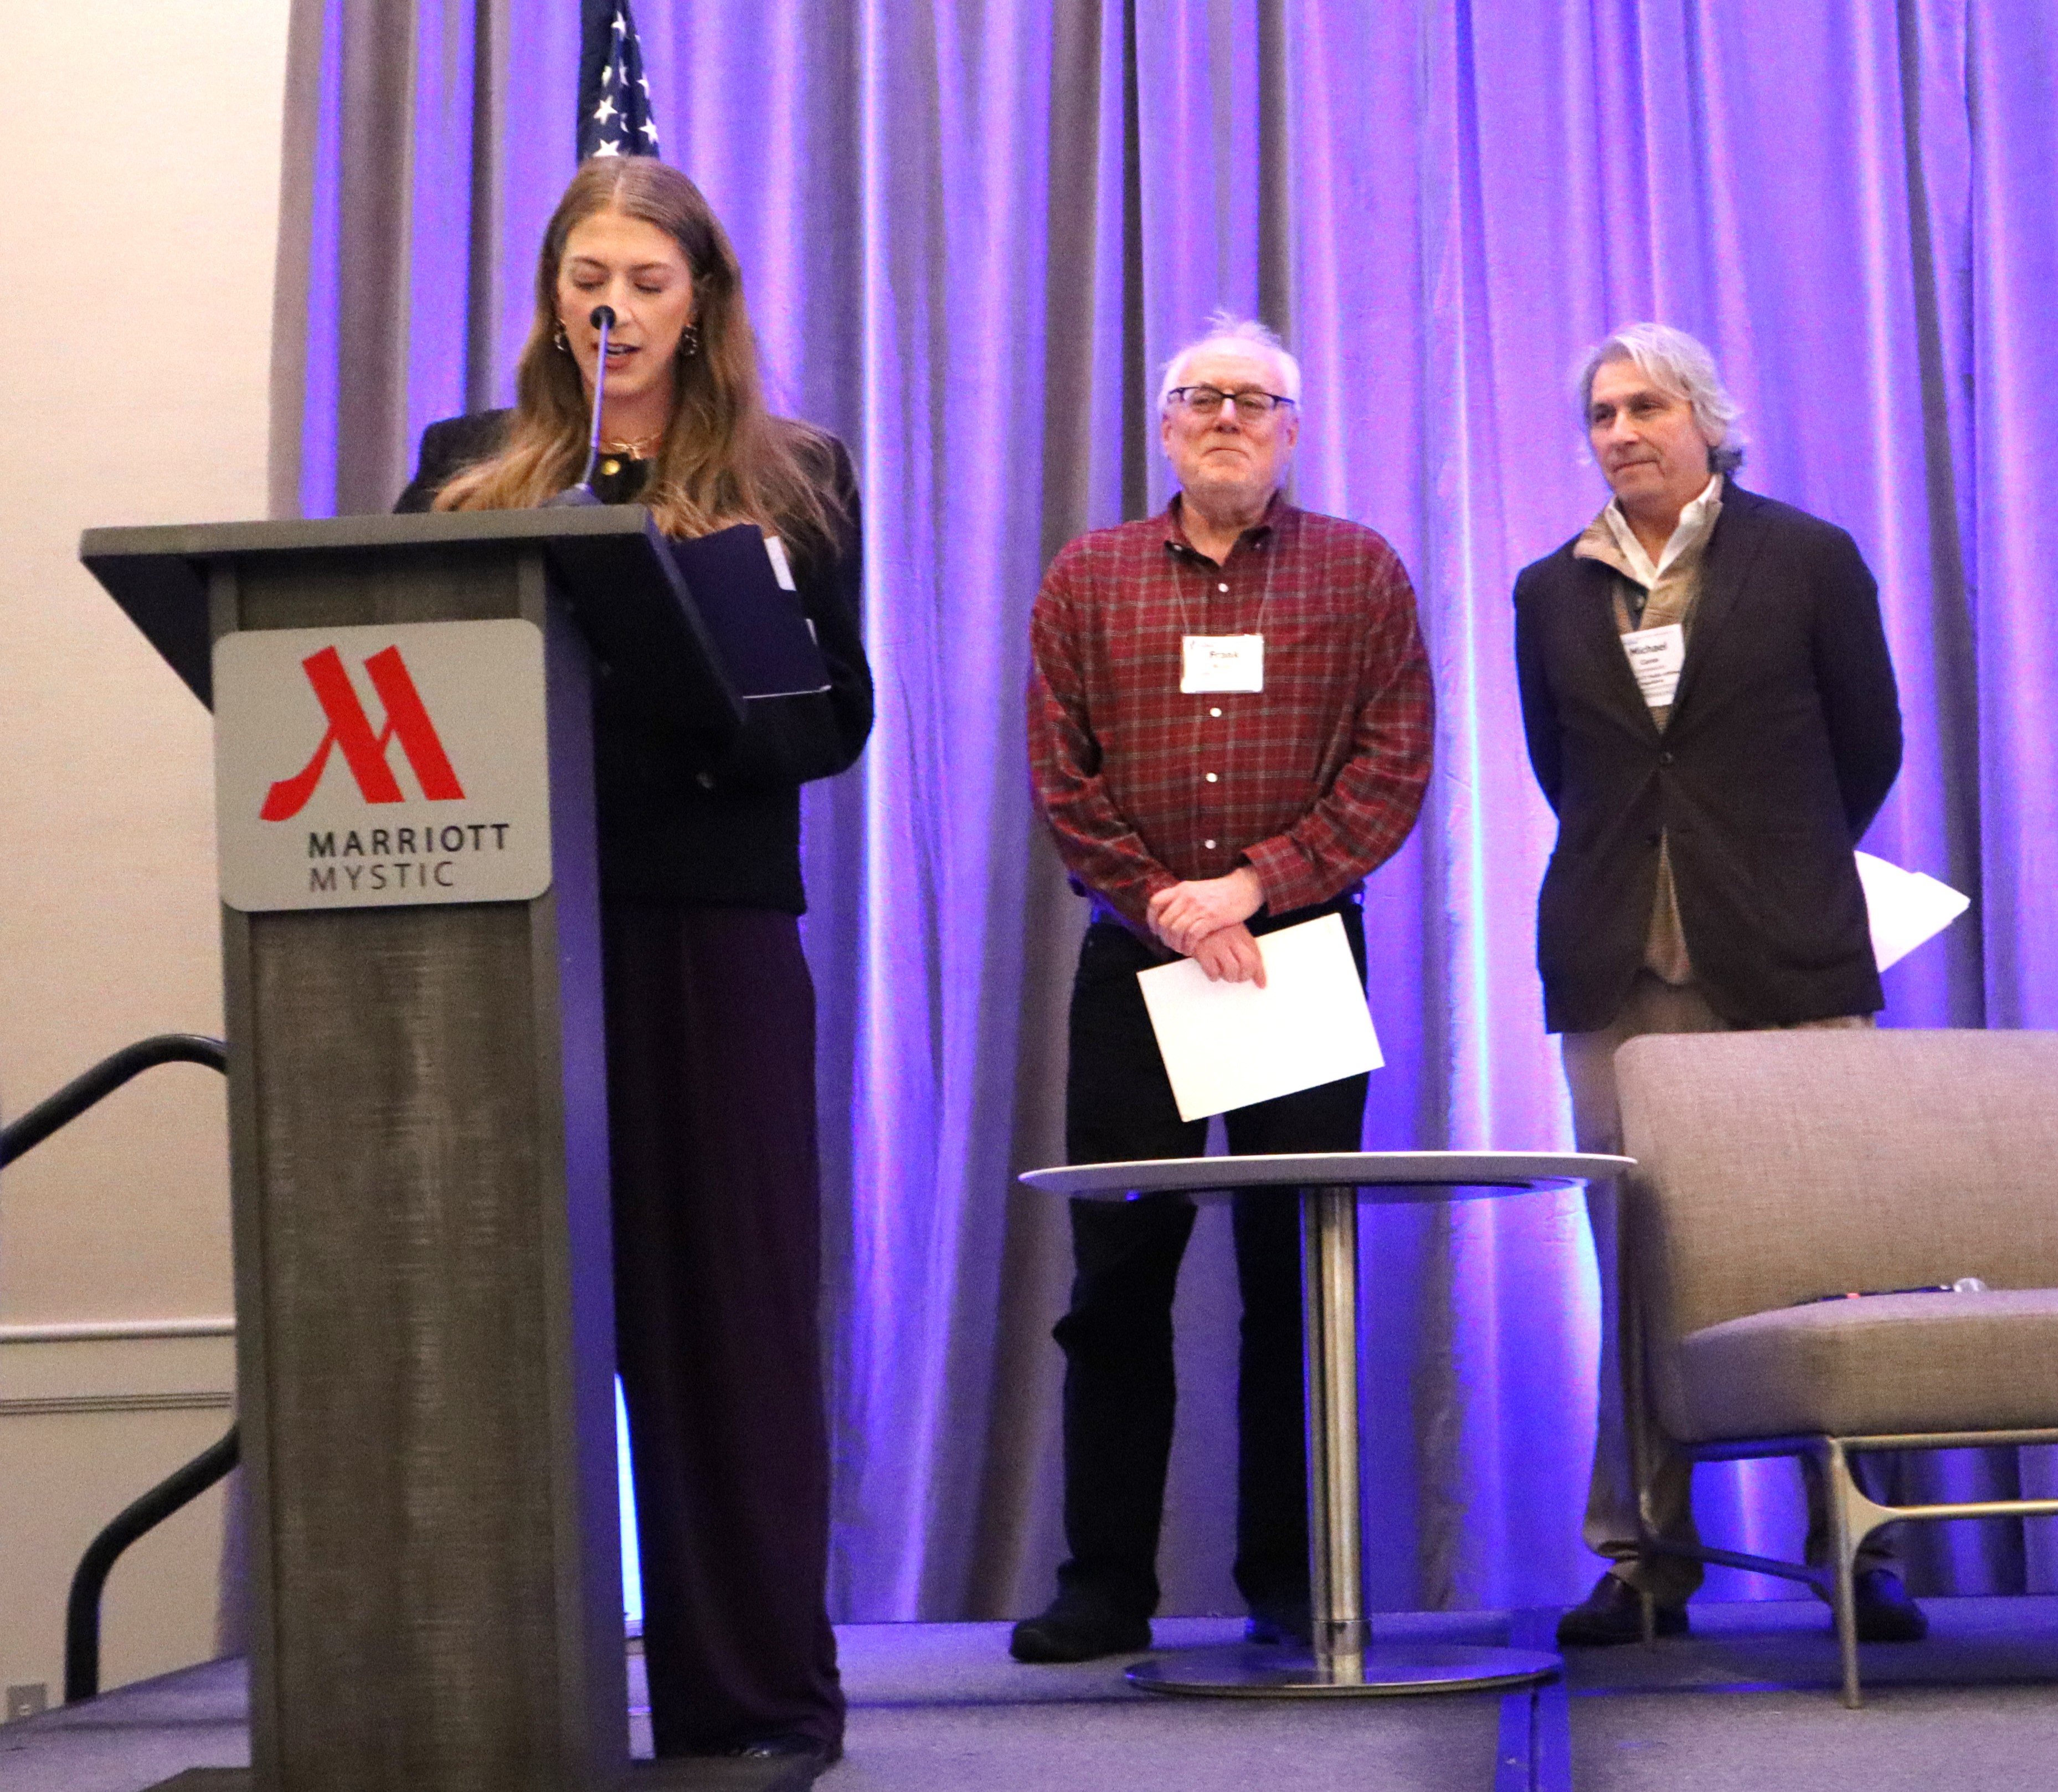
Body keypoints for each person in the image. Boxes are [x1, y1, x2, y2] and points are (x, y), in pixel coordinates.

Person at [397, 156, 871, 1768]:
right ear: (553, 295)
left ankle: (750, 1706)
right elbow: (389, 657)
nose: (614, 308)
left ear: (702, 300)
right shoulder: (465, 465)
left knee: (723, 1313)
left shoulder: (794, 474)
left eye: (648, 283)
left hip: (705, 924)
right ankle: (486, 1698)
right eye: (586, 279)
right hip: (497, 921)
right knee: (491, 1309)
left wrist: (712, 650)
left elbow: (840, 717)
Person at [1014, 315, 1433, 1663]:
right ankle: (1102, 1586)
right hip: (1135, 964)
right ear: (1162, 426)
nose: (1226, 419)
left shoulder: (1359, 572)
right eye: (1200, 398)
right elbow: (1061, 775)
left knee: (1292, 1281)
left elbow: (1392, 765)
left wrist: (1252, 886)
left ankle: (1290, 1579)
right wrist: (1164, 903)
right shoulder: (1087, 578)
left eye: (1254, 402)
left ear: (1292, 432)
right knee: (1115, 1281)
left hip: (1293, 960)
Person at [1512, 322, 1922, 1647]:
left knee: (1836, 1257)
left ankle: (1856, 1547)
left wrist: (1768, 865)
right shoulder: (1548, 589)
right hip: (1617, 965)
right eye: (1600, 414)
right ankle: (1643, 1560)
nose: (1620, 432)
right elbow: (1564, 771)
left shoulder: (1806, 557)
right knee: (1634, 1262)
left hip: (1786, 949)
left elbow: (1869, 745)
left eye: (1644, 406)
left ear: (1706, 420)